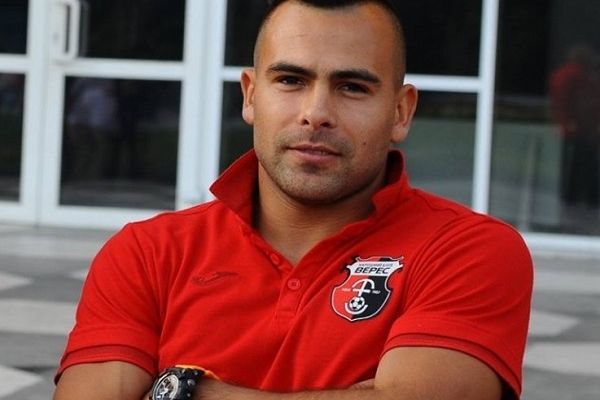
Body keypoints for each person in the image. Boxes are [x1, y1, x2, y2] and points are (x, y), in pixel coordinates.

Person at [53, 1, 533, 399]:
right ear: (250, 96)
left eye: (352, 87)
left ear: (400, 112)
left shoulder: (468, 250)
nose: (316, 113)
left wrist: (185, 391)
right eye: (290, 80)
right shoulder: (147, 253)